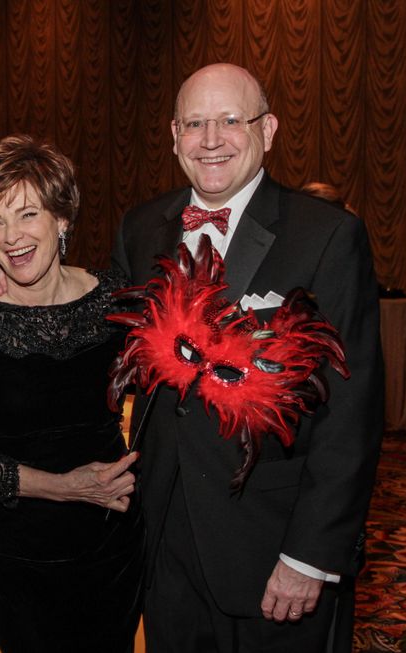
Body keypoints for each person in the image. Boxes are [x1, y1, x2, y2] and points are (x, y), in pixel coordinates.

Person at [112, 63, 382, 652]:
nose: (211, 140)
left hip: (271, 544)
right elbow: (108, 343)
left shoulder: (328, 236)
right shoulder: (140, 228)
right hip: (164, 540)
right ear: (174, 134)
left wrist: (311, 554)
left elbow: (352, 415)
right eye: (196, 123)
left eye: (231, 120)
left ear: (269, 129)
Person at [0, 135, 143, 652]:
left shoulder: (115, 300)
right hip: (15, 550)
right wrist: (65, 487)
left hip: (111, 541)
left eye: (27, 214)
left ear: (62, 218)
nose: (11, 237)